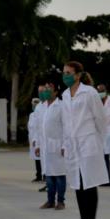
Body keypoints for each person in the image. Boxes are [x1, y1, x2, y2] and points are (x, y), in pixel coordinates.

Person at [62, 62, 109, 219]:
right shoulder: (65, 94)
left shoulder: (89, 92)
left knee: (89, 183)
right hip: (73, 145)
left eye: (68, 72)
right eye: (64, 72)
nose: (65, 75)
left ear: (78, 75)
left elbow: (100, 118)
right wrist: (65, 144)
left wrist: (97, 139)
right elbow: (66, 122)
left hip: (88, 142)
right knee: (78, 183)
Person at [37, 81, 67, 210]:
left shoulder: (61, 106)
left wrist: (65, 145)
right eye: (45, 88)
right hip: (46, 147)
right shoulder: (42, 107)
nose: (46, 90)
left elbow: (67, 127)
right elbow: (40, 128)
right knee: (49, 175)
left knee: (59, 174)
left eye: (49, 88)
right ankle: (50, 201)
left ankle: (61, 201)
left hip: (58, 146)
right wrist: (38, 144)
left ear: (56, 92)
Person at [28, 92, 44, 185]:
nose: (34, 106)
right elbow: (31, 128)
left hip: (38, 139)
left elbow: (38, 128)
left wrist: (35, 139)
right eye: (33, 104)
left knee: (42, 159)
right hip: (32, 140)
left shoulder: (40, 114)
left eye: (35, 104)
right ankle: (38, 176)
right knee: (36, 159)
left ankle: (44, 176)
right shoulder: (31, 115)